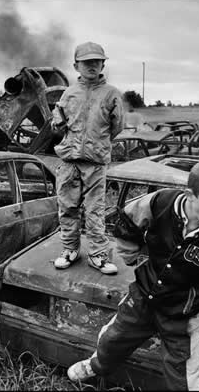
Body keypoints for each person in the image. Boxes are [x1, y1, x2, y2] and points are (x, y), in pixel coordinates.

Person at [66, 159, 199, 390]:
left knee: (184, 374)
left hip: (185, 317)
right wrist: (130, 255)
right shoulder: (160, 202)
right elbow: (127, 220)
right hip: (143, 299)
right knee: (112, 339)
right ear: (190, 194)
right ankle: (95, 367)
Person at [51, 41, 125, 274]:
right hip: (69, 161)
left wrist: (96, 145)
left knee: (95, 210)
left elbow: (117, 126)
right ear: (76, 66)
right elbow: (57, 124)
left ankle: (97, 254)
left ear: (103, 64)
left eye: (96, 61)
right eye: (86, 62)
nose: (92, 66)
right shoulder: (69, 93)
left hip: (95, 163)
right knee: (67, 207)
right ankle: (70, 249)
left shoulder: (111, 94)